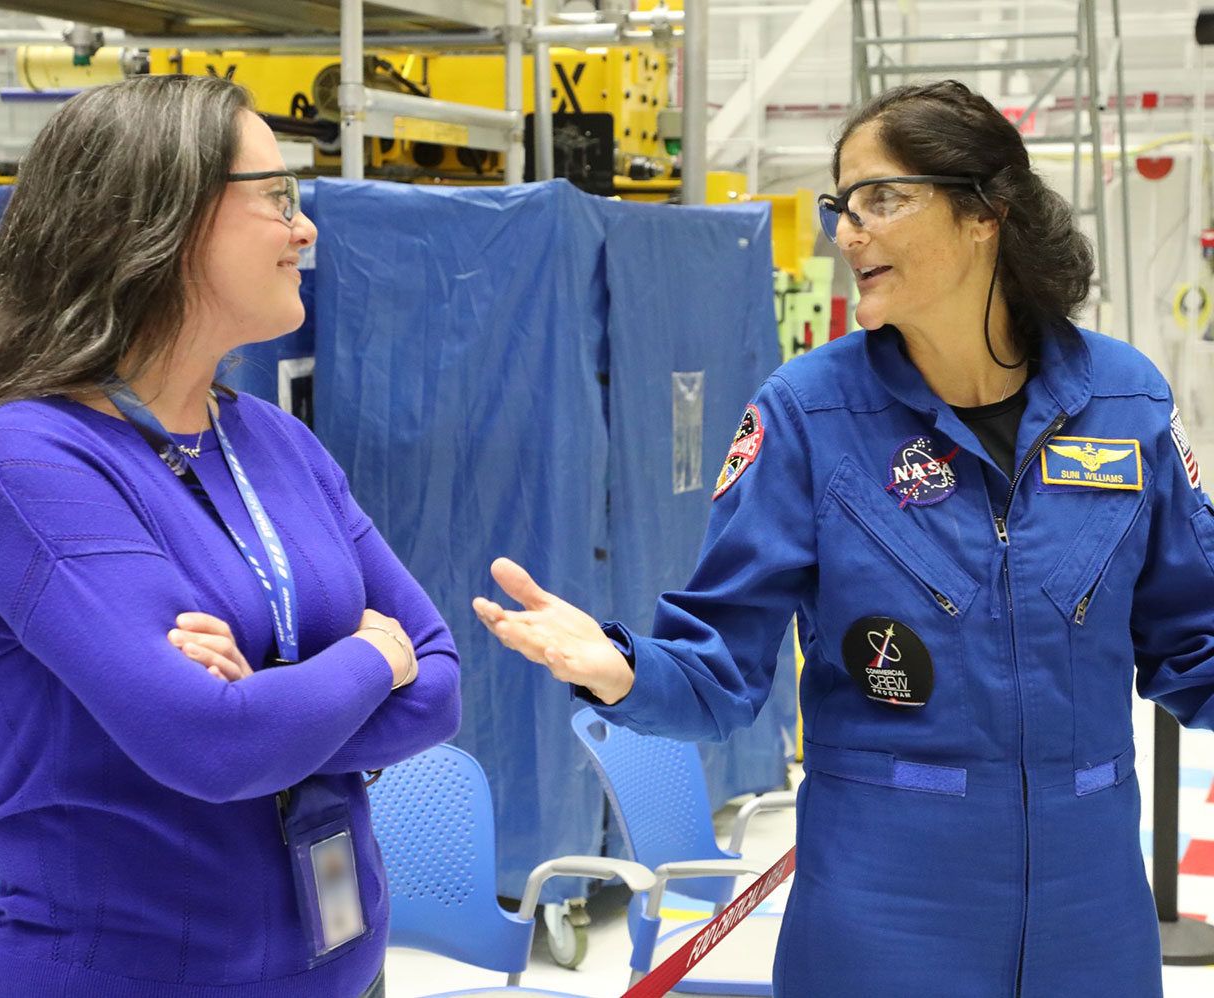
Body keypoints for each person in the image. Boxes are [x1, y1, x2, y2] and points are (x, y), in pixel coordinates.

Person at [473, 79, 1214, 998]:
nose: (846, 232)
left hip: (1091, 912)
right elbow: (717, 671)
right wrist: (621, 668)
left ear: (986, 212)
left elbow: (1196, 646)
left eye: (880, 199)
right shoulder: (807, 415)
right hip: (883, 910)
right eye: (841, 205)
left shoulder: (1125, 400)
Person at [0, 74, 460, 998]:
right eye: (277, 198)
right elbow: (213, 746)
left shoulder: (272, 441)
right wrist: (369, 661)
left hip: (338, 968)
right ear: (158, 221)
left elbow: (442, 681)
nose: (306, 231)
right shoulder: (28, 460)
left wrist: (272, 703)